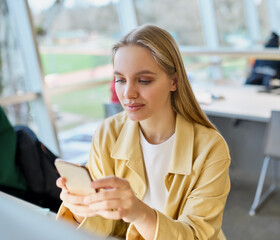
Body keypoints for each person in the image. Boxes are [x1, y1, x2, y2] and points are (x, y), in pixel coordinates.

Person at [56, 24, 231, 240]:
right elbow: (106, 220)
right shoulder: (107, 133)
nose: (128, 93)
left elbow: (195, 235)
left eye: (144, 80)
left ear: (174, 82)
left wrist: (139, 212)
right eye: (120, 80)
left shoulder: (210, 148)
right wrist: (81, 212)